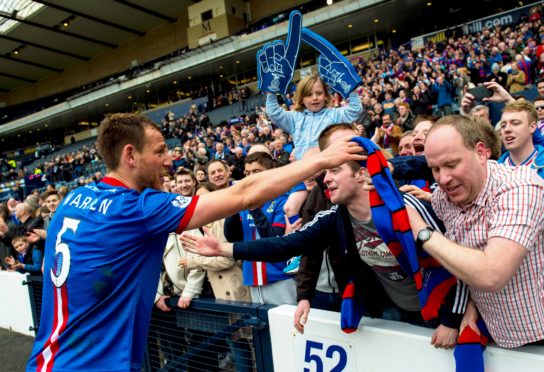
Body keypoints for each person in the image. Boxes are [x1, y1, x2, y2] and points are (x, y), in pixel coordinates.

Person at [26, 113, 364, 371]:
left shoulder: (71, 201)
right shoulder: (135, 208)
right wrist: (319, 160)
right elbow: (245, 194)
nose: (169, 161)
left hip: (47, 361)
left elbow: (52, 268)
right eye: (159, 152)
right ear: (130, 155)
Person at [182, 124, 462, 349]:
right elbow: (285, 245)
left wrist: (451, 320)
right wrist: (224, 248)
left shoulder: (406, 208)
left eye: (335, 171)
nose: (325, 179)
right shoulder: (335, 217)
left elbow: (454, 265)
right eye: (325, 172)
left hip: (439, 310)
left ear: (362, 175)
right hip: (389, 310)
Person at [406, 115, 544, 348]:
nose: (443, 179)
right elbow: (460, 255)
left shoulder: (520, 187)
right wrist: (470, 305)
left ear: (481, 152)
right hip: (495, 332)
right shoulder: (442, 196)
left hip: (538, 334)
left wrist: (421, 231)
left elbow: (491, 274)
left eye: (451, 165)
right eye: (435, 169)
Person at [265, 73, 362, 160]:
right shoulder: (294, 118)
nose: (315, 98)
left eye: (319, 93)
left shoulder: (334, 114)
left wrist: (351, 88)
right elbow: (273, 112)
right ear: (302, 99)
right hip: (304, 172)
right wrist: (271, 91)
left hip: (328, 169)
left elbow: (355, 109)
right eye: (309, 95)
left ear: (325, 95)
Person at [497, 100, 544, 178]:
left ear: (532, 127)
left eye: (515, 123)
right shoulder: (494, 172)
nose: (507, 129)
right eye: (503, 125)